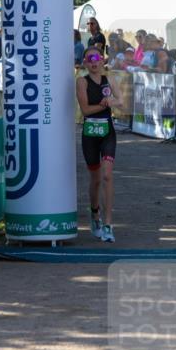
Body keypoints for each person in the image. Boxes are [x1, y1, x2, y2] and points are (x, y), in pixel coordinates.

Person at [76, 47, 122, 243]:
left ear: (102, 60)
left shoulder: (110, 79)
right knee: (95, 179)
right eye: (89, 59)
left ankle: (108, 224)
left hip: (107, 133)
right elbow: (85, 110)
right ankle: (95, 215)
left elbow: (121, 101)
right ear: (85, 63)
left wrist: (113, 100)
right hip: (90, 135)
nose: (93, 62)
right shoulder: (81, 82)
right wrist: (104, 104)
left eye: (96, 58)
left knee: (107, 175)